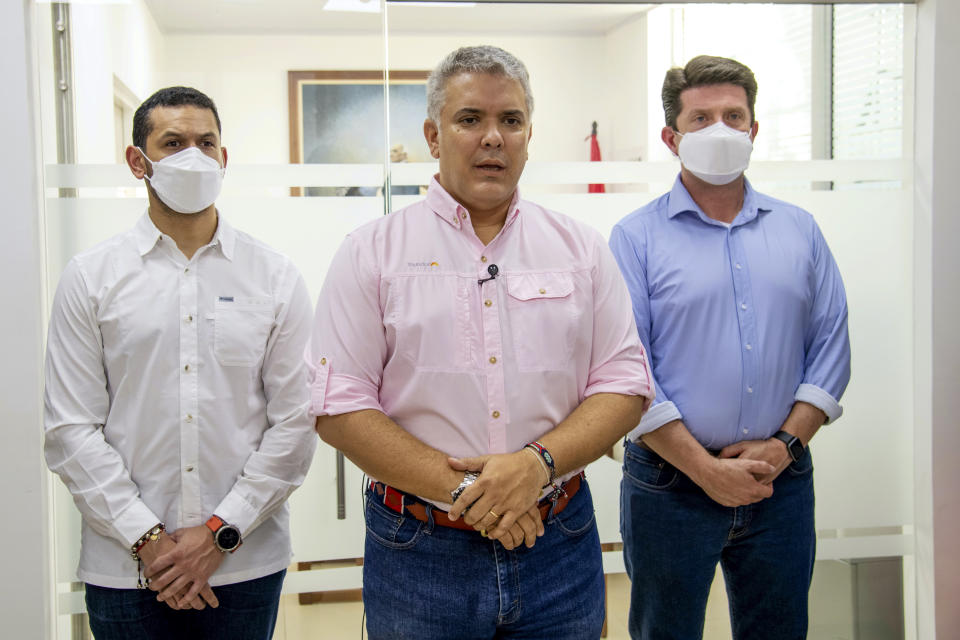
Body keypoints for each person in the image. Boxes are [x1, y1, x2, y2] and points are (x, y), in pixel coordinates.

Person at [307, 45, 654, 640]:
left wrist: (534, 467)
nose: (493, 137)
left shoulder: (579, 249)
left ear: (527, 135)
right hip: (419, 548)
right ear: (433, 135)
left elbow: (624, 384)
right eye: (470, 119)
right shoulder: (373, 253)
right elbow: (339, 406)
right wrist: (475, 494)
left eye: (510, 121)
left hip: (558, 542)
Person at [43, 86, 317, 640]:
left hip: (243, 563)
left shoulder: (275, 276)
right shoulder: (92, 278)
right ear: (137, 161)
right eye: (173, 143)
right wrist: (150, 541)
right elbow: (70, 427)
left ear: (223, 159)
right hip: (127, 569)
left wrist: (219, 532)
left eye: (205, 142)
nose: (193, 155)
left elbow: (297, 420)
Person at [609, 55, 851, 640]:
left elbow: (831, 349)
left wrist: (786, 445)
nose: (720, 129)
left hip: (781, 481)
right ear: (672, 137)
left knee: (780, 629)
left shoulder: (800, 230)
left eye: (733, 115)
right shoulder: (635, 237)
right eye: (701, 119)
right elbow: (628, 368)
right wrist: (704, 469)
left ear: (753, 129)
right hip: (670, 485)